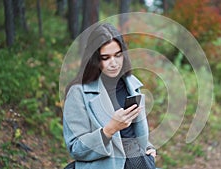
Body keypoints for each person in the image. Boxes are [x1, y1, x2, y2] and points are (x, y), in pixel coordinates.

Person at [63, 23, 157, 169]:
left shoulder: (132, 85)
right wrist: (109, 129)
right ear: (94, 59)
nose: (114, 63)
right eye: (106, 57)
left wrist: (148, 149)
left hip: (139, 163)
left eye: (118, 55)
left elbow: (131, 133)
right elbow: (75, 148)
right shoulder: (78, 92)